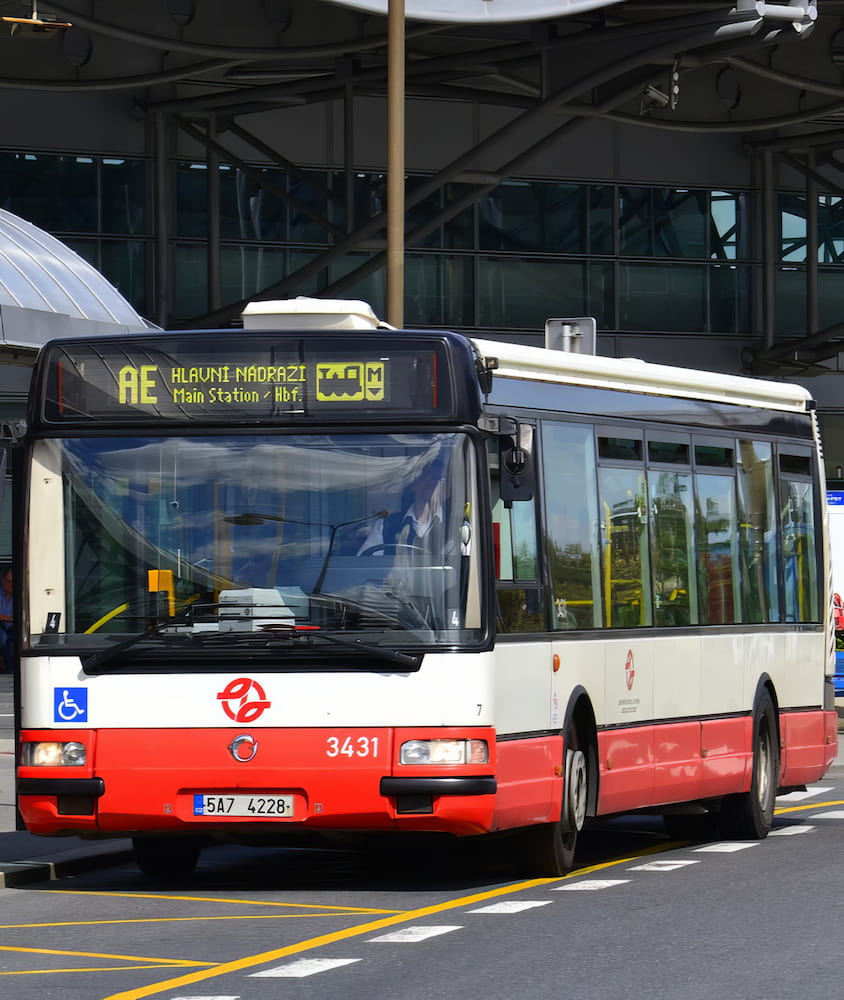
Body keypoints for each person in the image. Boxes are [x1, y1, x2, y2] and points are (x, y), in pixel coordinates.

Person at [359, 460, 446, 556]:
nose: (433, 484)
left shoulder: (453, 525)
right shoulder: (386, 525)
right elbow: (364, 560)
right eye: (427, 478)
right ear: (413, 483)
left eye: (439, 480)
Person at [0, 568, 13, 670]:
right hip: (1, 627)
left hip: (15, 628)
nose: (10, 584)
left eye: (13, 582)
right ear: (2, 580)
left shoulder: (21, 594)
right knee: (2, 637)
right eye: (8, 581)